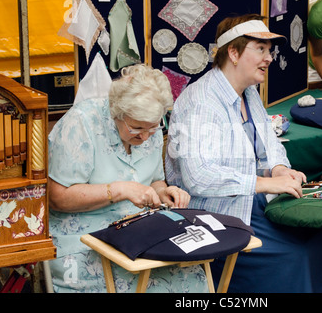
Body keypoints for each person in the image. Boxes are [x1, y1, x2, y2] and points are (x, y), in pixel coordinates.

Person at [166, 14, 322, 293]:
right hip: (212, 216)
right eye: (261, 49)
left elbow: (269, 143)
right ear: (234, 53)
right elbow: (197, 177)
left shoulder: (248, 92)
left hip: (249, 205)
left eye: (270, 50)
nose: (270, 58)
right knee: (295, 255)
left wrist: (278, 169)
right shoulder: (200, 102)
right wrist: (264, 183)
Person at [48, 64, 208, 293]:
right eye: (136, 128)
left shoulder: (149, 126)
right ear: (117, 113)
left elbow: (155, 181)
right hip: (83, 238)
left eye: (153, 128)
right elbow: (57, 197)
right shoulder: (82, 122)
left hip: (137, 233)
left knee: (191, 276)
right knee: (132, 283)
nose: (144, 136)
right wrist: (119, 190)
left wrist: (164, 193)